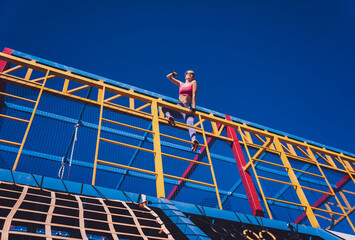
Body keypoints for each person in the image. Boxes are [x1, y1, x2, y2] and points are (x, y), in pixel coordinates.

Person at [163, 70, 199, 152]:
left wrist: (193, 107)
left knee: (190, 122)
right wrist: (172, 73)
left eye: (192, 74)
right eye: (188, 73)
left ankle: (194, 141)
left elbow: (194, 95)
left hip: (187, 107)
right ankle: (169, 117)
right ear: (185, 75)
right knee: (163, 104)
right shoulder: (181, 84)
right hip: (178, 107)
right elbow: (168, 77)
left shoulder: (193, 82)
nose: (190, 75)